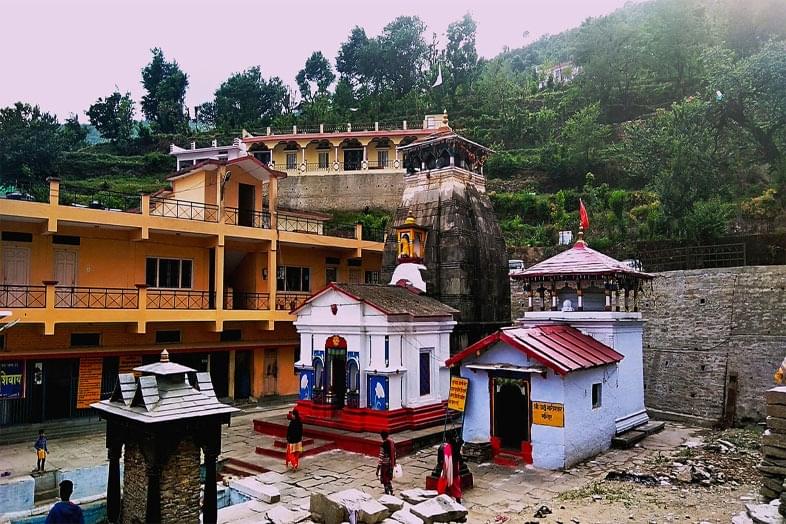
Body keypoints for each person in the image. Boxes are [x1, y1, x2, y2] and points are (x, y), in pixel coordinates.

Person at [436, 434, 463, 503]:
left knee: (442, 485)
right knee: (456, 486)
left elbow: (439, 461)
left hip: (447, 470)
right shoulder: (456, 447)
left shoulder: (444, 448)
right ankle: (458, 499)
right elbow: (461, 460)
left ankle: (441, 497)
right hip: (455, 469)